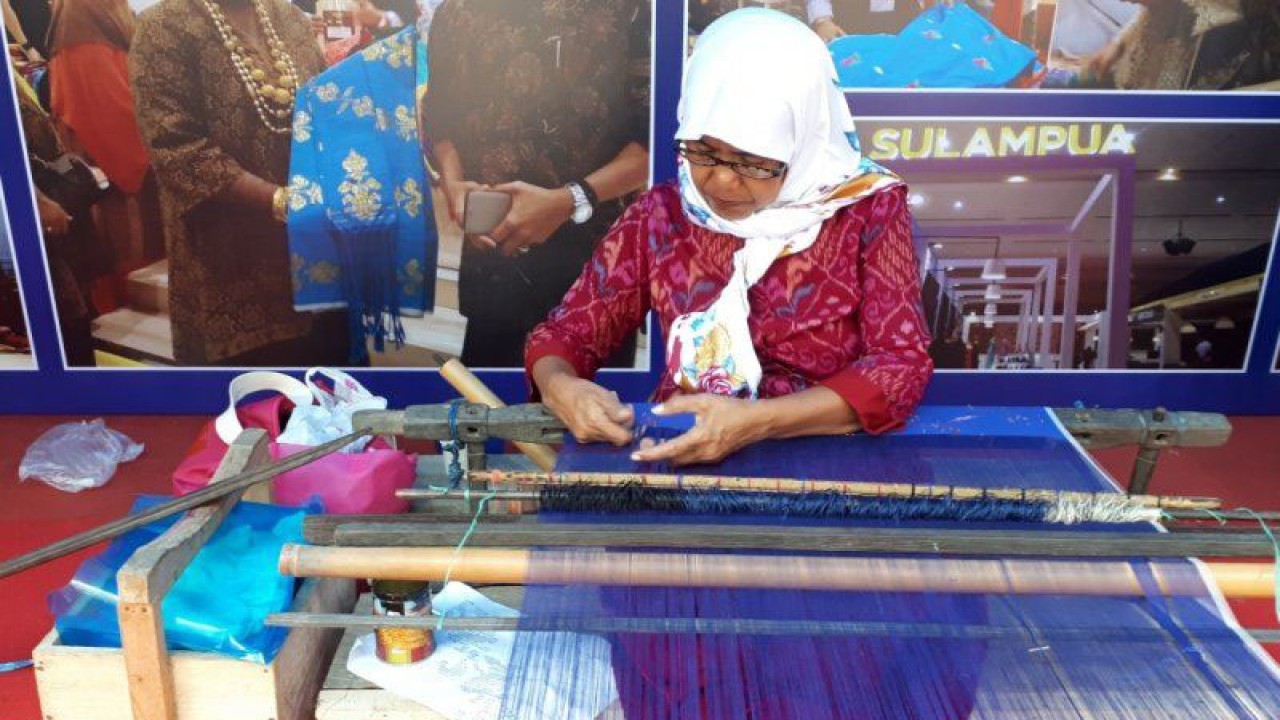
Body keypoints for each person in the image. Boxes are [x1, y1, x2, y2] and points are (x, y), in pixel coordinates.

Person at [526, 8, 933, 466]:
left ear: (802, 141)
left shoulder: (866, 209)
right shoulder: (664, 214)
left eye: (753, 161)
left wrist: (759, 420)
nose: (720, 181)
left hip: (829, 473)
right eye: (703, 150)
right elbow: (567, 334)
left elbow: (899, 366)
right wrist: (562, 386)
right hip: (685, 462)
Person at [422, 0, 651, 368]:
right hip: (495, 256)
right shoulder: (461, 8)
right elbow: (440, 118)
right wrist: (456, 185)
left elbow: (653, 136)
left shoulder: (629, 10)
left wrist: (570, 200)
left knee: (590, 407)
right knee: (493, 400)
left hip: (592, 264)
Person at [131, 0, 350, 366]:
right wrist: (281, 201)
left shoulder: (289, 17)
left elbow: (322, 108)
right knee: (256, 405)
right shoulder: (164, 26)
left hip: (316, 254)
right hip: (230, 268)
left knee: (331, 389)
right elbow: (177, 148)